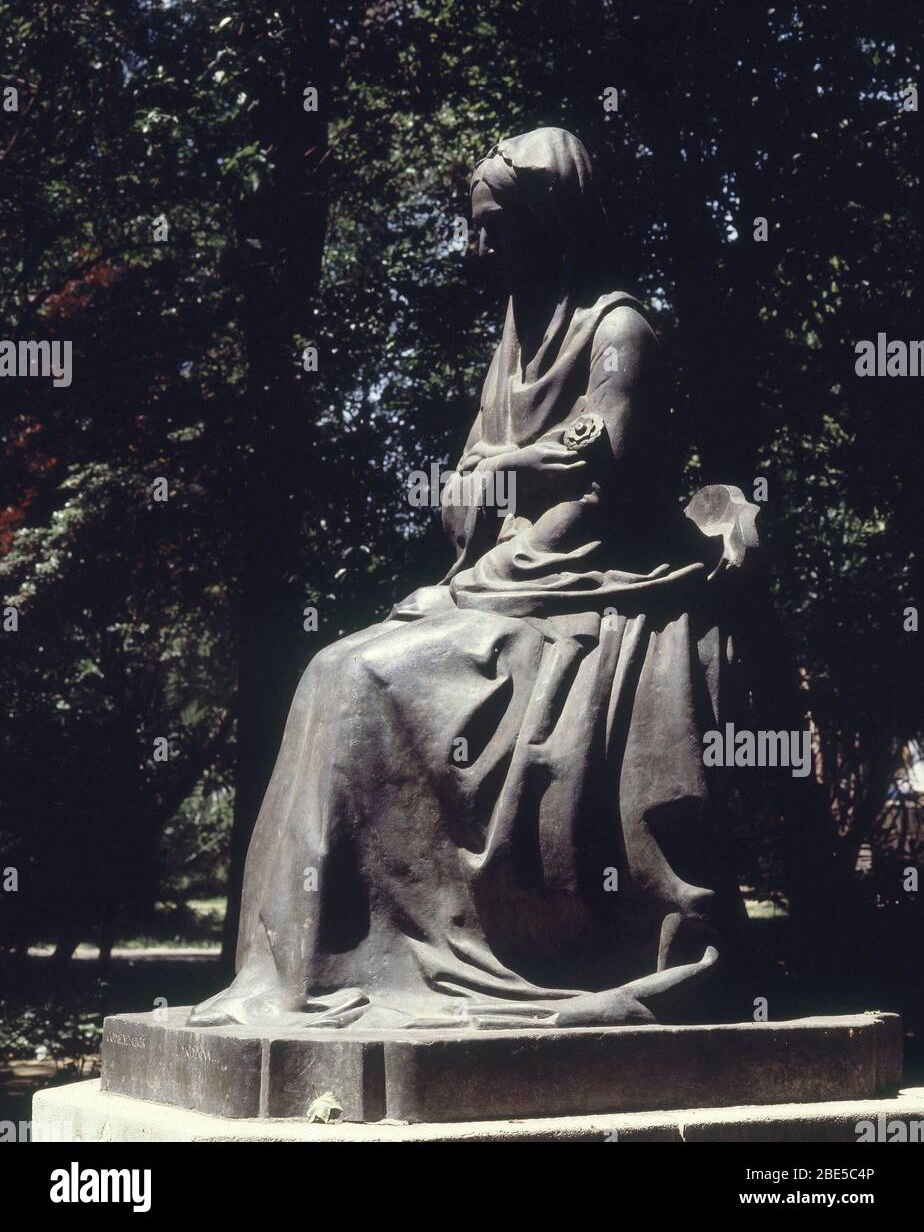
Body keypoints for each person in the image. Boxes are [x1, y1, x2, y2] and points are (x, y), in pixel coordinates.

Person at [189, 127, 755, 1030]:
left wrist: (505, 489)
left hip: (595, 578)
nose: (476, 245)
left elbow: (601, 467)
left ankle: (395, 953)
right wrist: (484, 490)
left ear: (551, 224)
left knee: (369, 676)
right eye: (474, 225)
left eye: (494, 227)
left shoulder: (620, 329)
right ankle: (310, 967)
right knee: (333, 665)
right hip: (509, 573)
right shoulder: (515, 330)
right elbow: (479, 479)